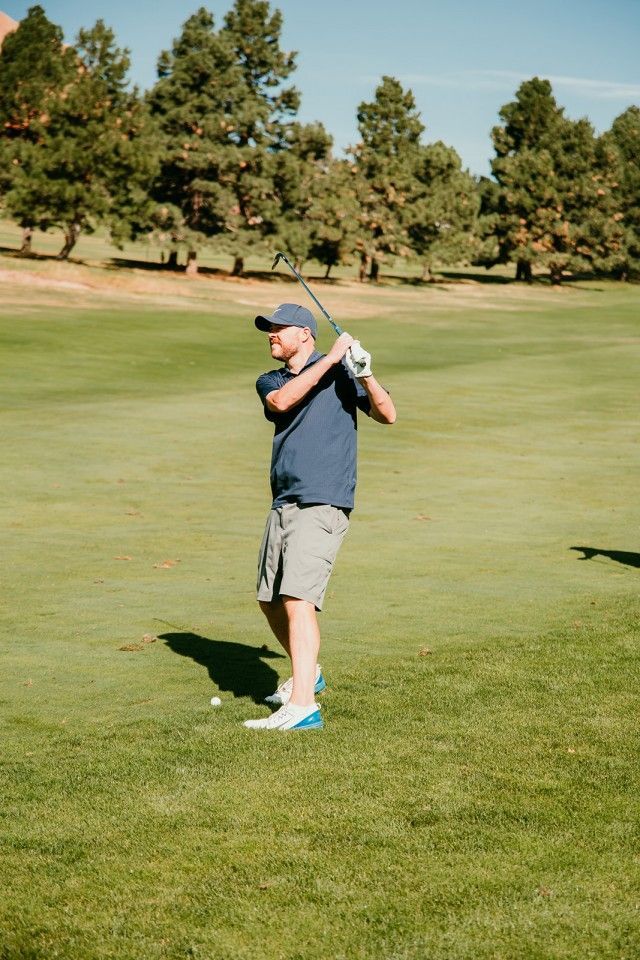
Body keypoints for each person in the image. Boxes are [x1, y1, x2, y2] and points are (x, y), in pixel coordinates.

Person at [243, 302, 396, 731]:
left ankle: (304, 706)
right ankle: (308, 672)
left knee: (297, 598)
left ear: (305, 334)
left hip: (323, 498)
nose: (271, 335)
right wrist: (331, 359)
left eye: (279, 329)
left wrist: (364, 372)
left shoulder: (344, 375)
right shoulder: (271, 379)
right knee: (269, 599)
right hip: (284, 500)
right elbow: (284, 401)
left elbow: (388, 414)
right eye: (269, 329)